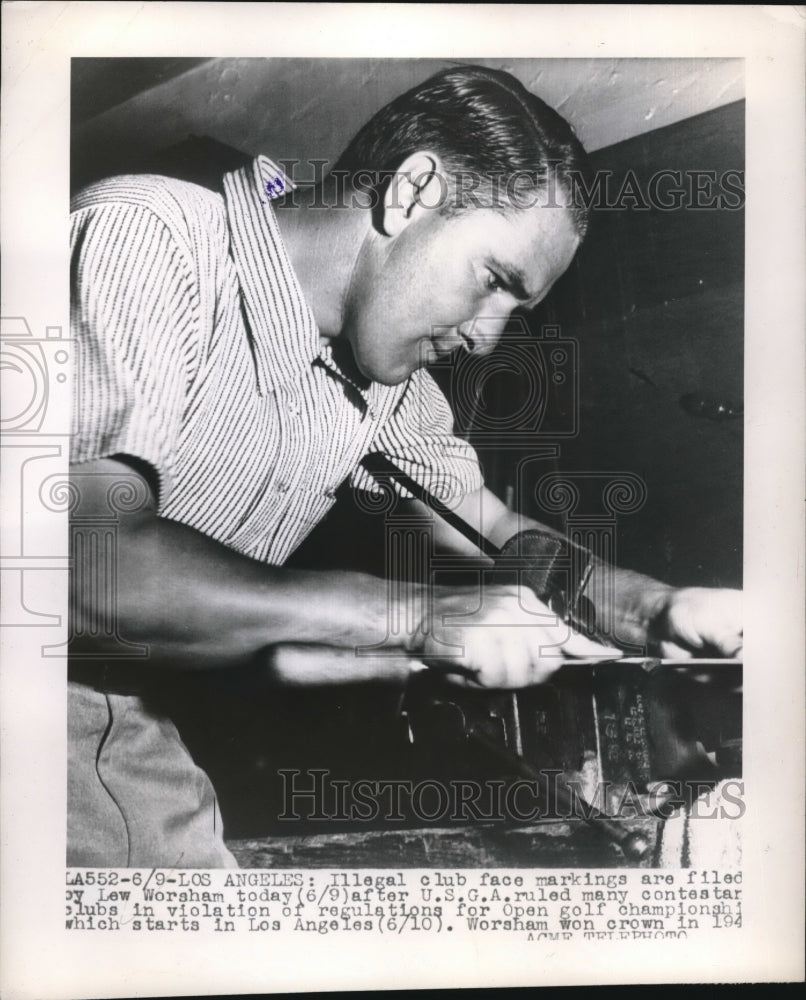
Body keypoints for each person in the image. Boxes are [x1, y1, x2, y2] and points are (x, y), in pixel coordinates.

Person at [68, 65, 742, 868]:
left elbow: (492, 531)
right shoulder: (148, 236)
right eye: (492, 281)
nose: (486, 338)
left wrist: (655, 609)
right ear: (414, 190)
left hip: (127, 736)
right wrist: (418, 617)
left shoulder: (384, 387)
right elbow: (84, 565)